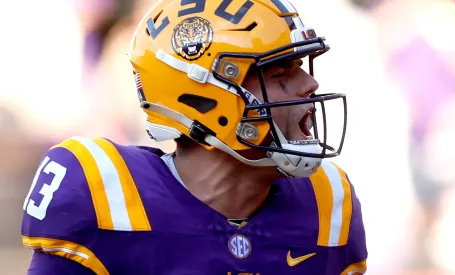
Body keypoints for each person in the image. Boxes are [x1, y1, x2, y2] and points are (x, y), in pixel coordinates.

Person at [20, 0, 368, 274]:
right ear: (206, 99)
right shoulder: (102, 192)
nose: (310, 85)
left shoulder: (326, 202)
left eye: (301, 68)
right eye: (279, 74)